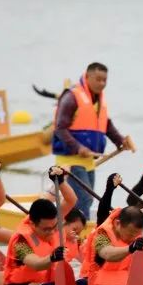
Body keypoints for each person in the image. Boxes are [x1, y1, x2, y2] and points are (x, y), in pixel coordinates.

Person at [53, 62, 136, 217]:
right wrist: (78, 148)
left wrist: (119, 140)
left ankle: (76, 230)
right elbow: (59, 128)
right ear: (88, 76)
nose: (102, 83)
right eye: (98, 79)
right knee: (82, 199)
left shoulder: (98, 100)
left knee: (87, 200)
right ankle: (75, 233)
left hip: (88, 160)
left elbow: (106, 124)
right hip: (70, 161)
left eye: (105, 80)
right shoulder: (72, 96)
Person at [3, 170, 77, 285]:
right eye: (46, 229)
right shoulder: (22, 241)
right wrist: (52, 257)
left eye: (54, 227)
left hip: (47, 281)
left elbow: (71, 200)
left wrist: (61, 181)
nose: (52, 232)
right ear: (32, 224)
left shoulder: (52, 221)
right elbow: (36, 264)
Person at [82, 205, 143, 285]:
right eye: (130, 234)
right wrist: (130, 248)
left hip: (126, 282)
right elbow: (106, 253)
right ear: (117, 224)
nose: (132, 237)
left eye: (136, 235)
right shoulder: (103, 235)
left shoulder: (137, 229)